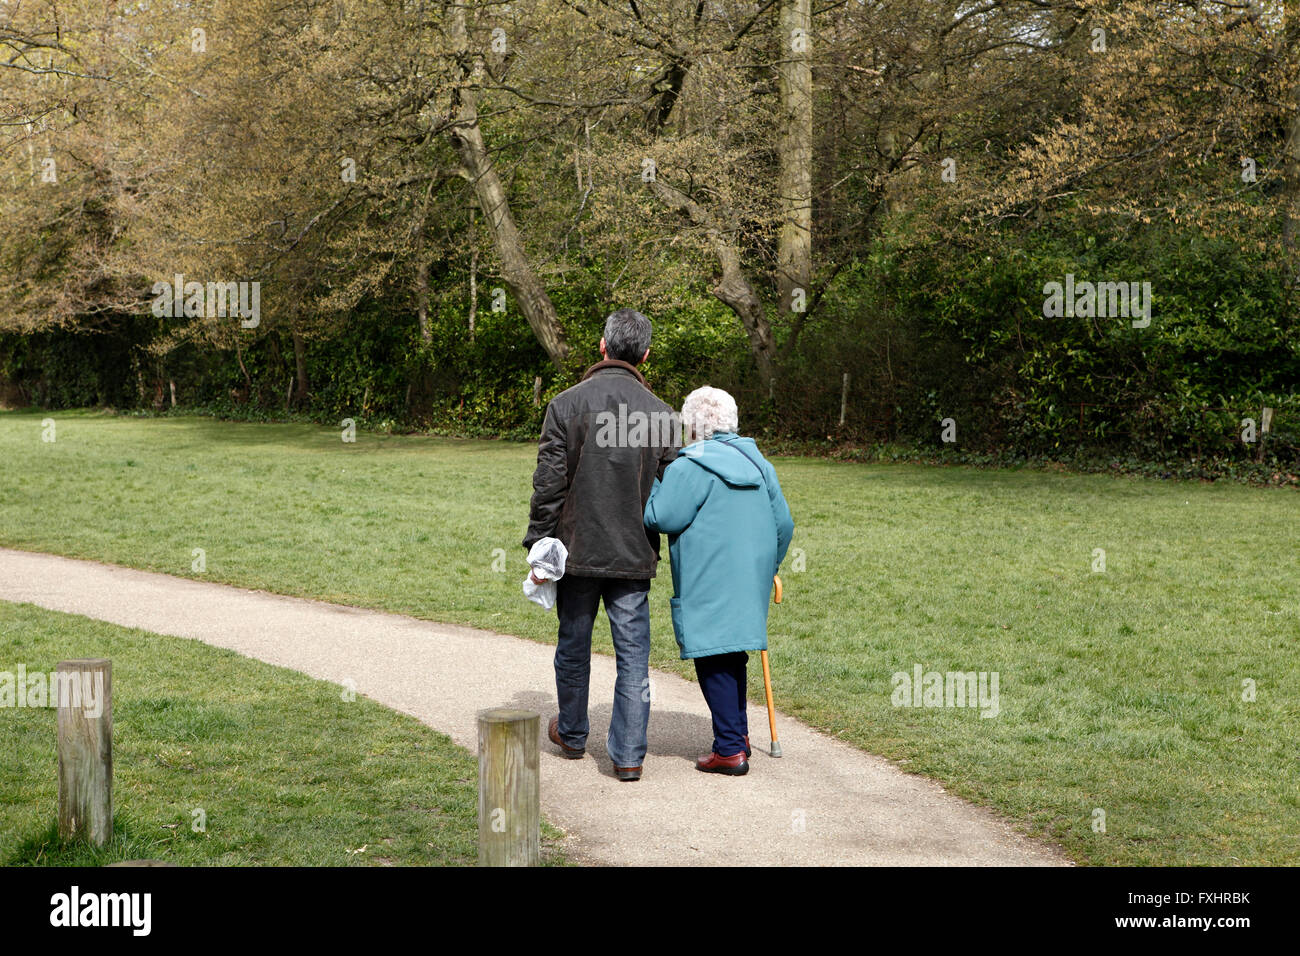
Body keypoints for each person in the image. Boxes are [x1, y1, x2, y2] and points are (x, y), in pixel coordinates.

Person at [523, 309, 678, 782]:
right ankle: (628, 755)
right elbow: (674, 494)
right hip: (632, 553)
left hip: (579, 550)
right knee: (633, 656)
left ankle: (572, 734)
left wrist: (539, 545)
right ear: (645, 354)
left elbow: (549, 485)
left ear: (602, 346)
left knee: (573, 645)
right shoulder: (663, 416)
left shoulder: (565, 405)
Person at [643, 386, 794, 775]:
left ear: (691, 427)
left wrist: (653, 483)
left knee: (713, 655)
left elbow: (662, 517)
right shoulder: (760, 463)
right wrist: (768, 566)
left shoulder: (690, 465)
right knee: (733, 653)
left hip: (707, 576)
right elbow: (784, 524)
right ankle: (737, 736)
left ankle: (729, 750)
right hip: (750, 576)